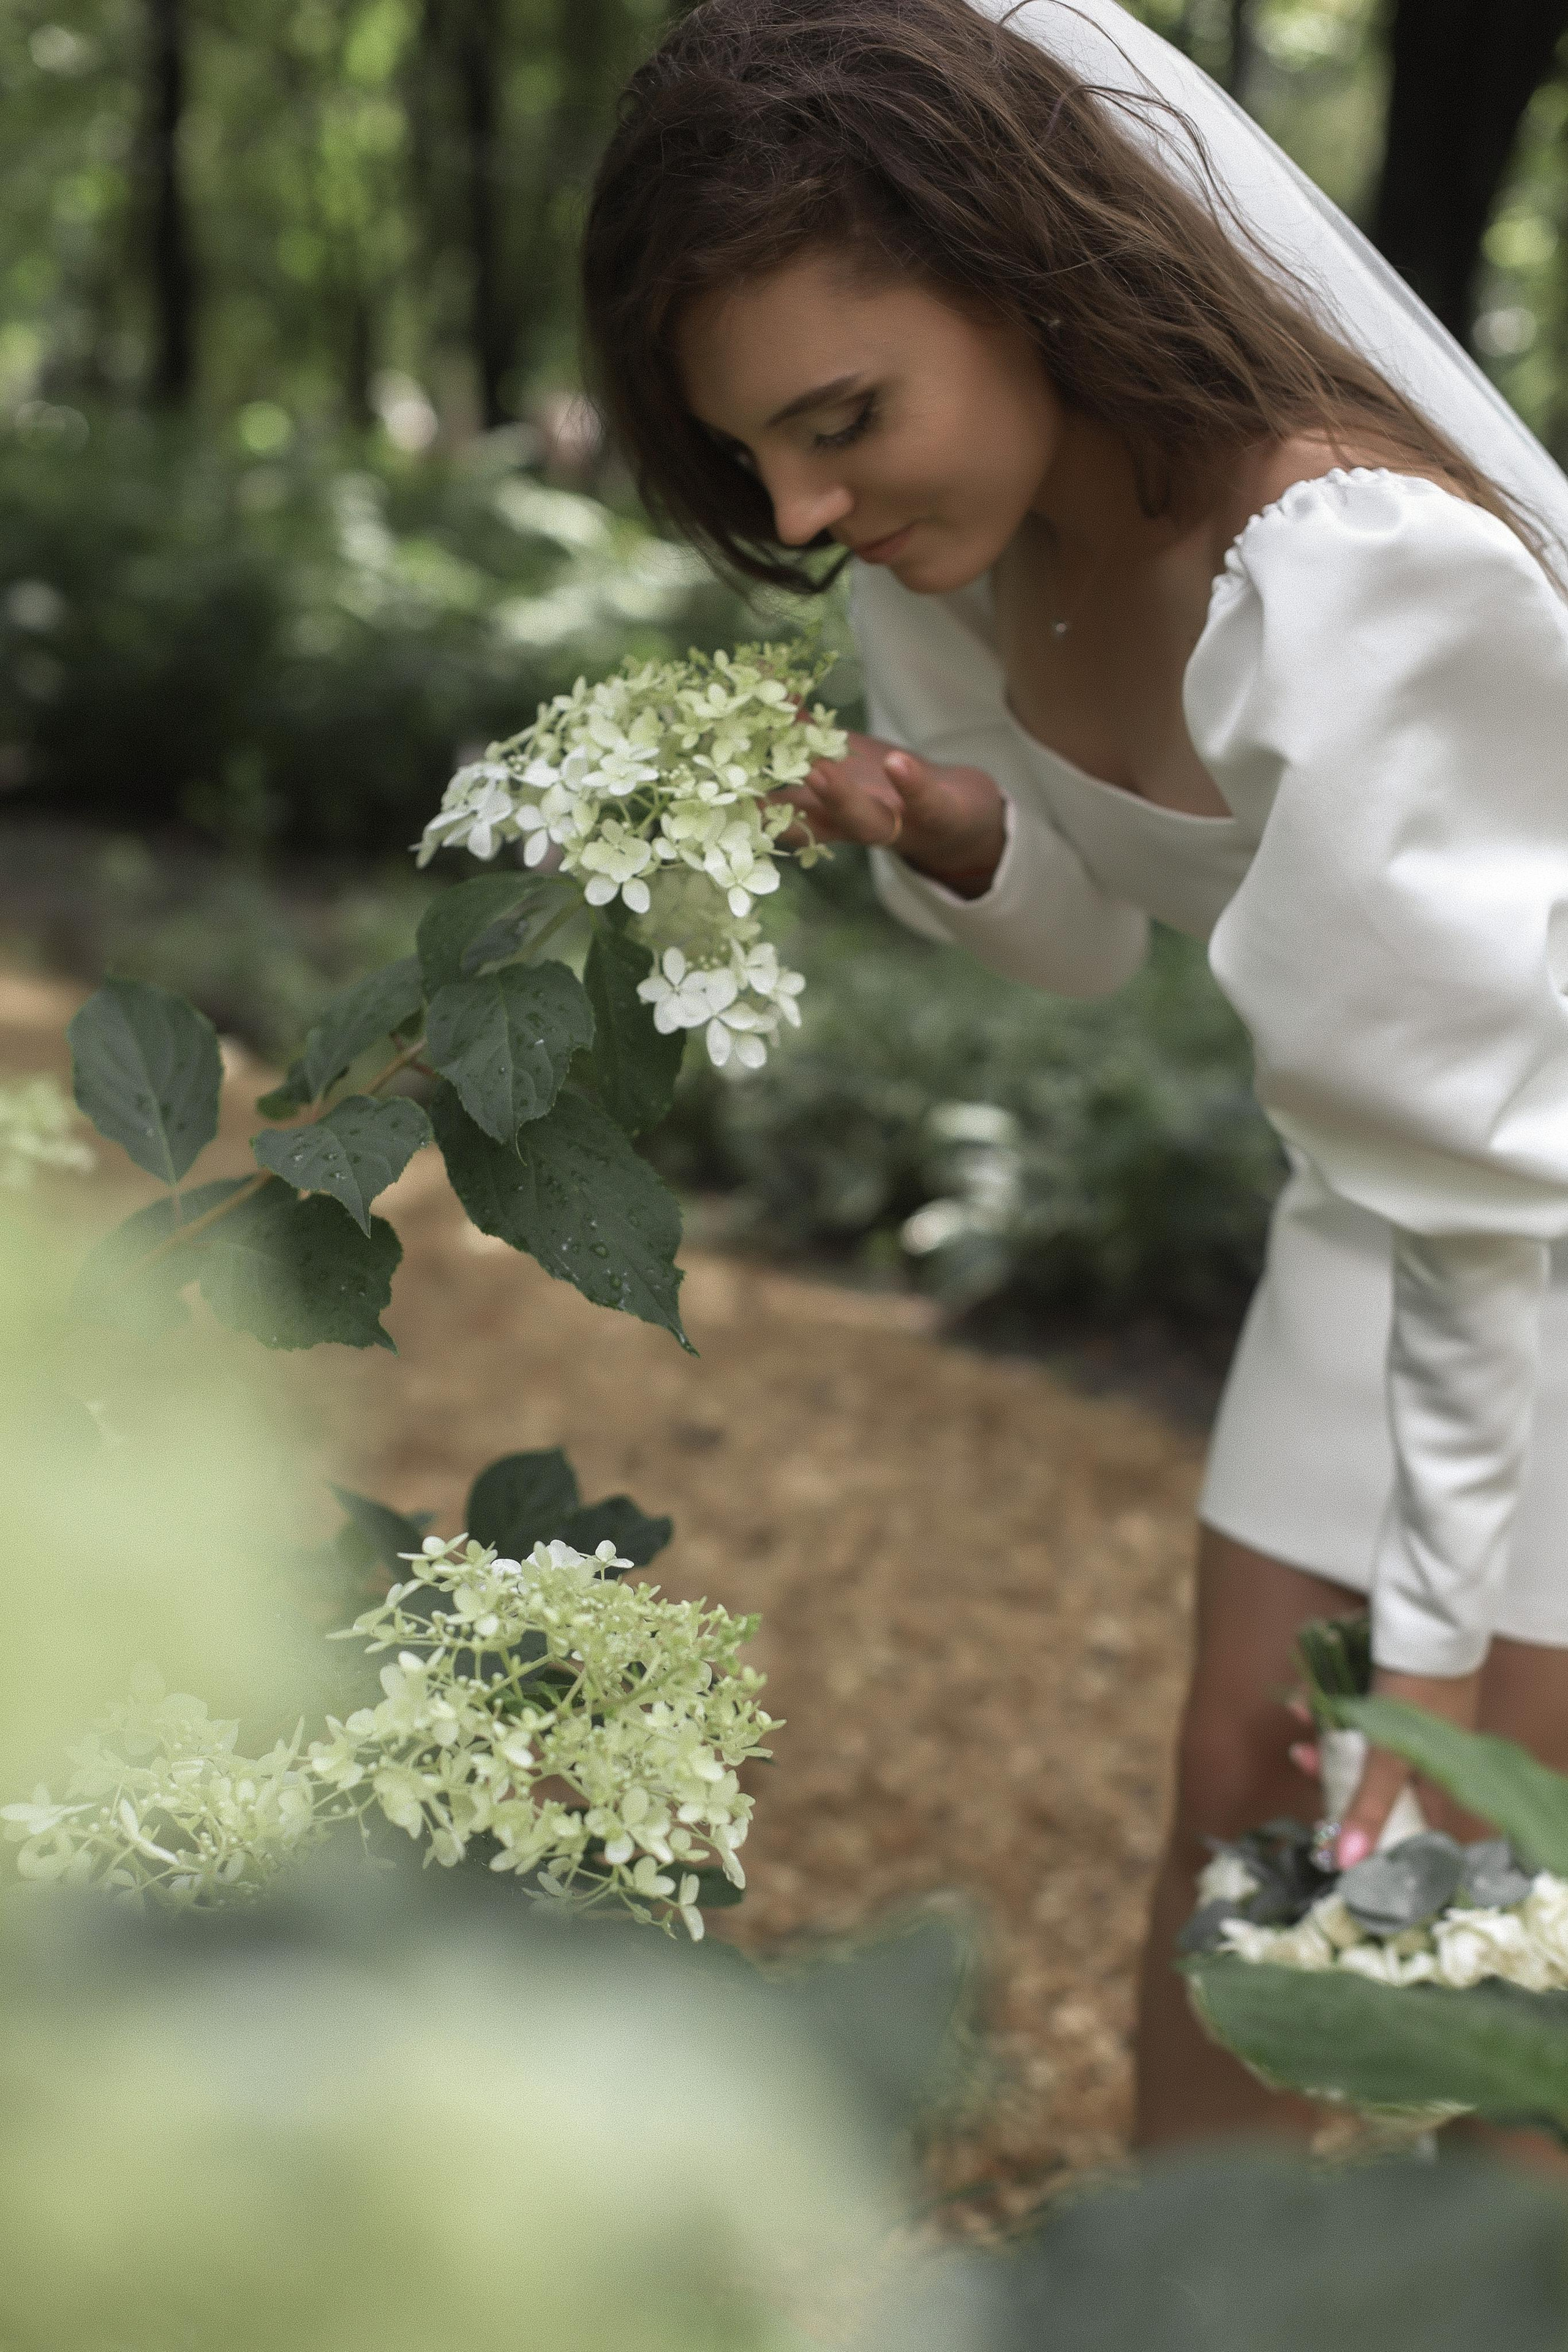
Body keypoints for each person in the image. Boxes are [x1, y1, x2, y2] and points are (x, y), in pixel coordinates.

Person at [579, 0, 1568, 2147]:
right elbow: (1098, 948)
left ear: (1029, 264)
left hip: (1532, 1224)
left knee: (1493, 1884)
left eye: (841, 417)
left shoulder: (1360, 576)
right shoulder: (970, 550)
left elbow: (1506, 1188)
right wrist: (960, 836)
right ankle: (1177, 2288)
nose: (803, 504)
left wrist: (1428, 1667)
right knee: (1242, 1796)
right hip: (1390, 1192)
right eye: (755, 456)